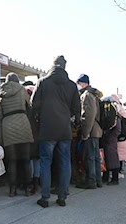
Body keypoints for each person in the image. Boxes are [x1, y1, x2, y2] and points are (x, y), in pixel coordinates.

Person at [31, 55, 81, 208]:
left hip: (47, 129)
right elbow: (77, 109)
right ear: (65, 66)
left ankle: (45, 198)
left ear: (52, 65)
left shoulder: (43, 82)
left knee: (46, 162)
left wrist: (39, 118)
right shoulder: (72, 86)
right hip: (64, 129)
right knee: (65, 162)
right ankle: (62, 197)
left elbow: (34, 104)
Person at [0, 73, 34, 197]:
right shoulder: (22, 90)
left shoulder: (1, 92)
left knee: (12, 160)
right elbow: (29, 106)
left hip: (7, 126)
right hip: (23, 124)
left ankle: (12, 189)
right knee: (26, 159)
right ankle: (28, 188)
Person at [76, 74, 103, 189]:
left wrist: (85, 133)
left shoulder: (87, 95)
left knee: (90, 157)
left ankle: (91, 181)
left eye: (79, 83)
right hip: (96, 130)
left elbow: (89, 115)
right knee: (96, 157)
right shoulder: (94, 94)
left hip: (91, 130)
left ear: (83, 83)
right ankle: (98, 180)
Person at [101, 96, 121, 185]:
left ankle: (114, 178)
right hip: (112, 135)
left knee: (111, 156)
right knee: (109, 156)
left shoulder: (112, 113)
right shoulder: (116, 112)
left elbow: (114, 126)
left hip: (110, 136)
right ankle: (108, 176)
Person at [111, 94, 126, 179]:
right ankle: (120, 171)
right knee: (121, 153)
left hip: (117, 133)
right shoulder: (122, 109)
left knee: (117, 153)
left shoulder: (116, 108)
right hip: (124, 134)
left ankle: (118, 171)